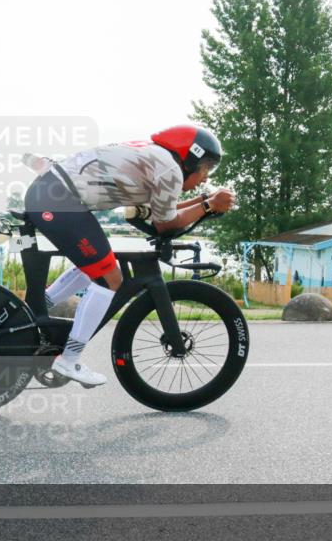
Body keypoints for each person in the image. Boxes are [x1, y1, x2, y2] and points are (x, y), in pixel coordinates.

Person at [21, 124, 235, 387]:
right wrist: (208, 205)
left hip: (52, 194)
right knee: (110, 278)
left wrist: (204, 201)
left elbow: (160, 210)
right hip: (59, 201)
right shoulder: (169, 170)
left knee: (98, 265)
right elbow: (165, 224)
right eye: (206, 168)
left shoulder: (158, 158)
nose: (205, 178)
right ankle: (68, 360)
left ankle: (28, 316)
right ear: (191, 159)